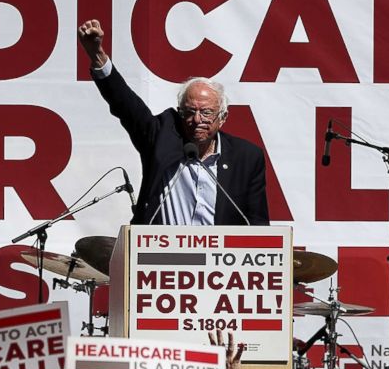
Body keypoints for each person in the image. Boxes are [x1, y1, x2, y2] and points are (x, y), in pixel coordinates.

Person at [77, 19, 270, 227]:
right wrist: (97, 55)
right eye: (189, 112)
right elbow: (126, 105)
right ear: (179, 113)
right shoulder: (160, 137)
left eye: (206, 112)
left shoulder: (247, 157)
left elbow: (257, 225)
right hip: (161, 255)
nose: (197, 120)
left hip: (220, 257)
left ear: (222, 118)